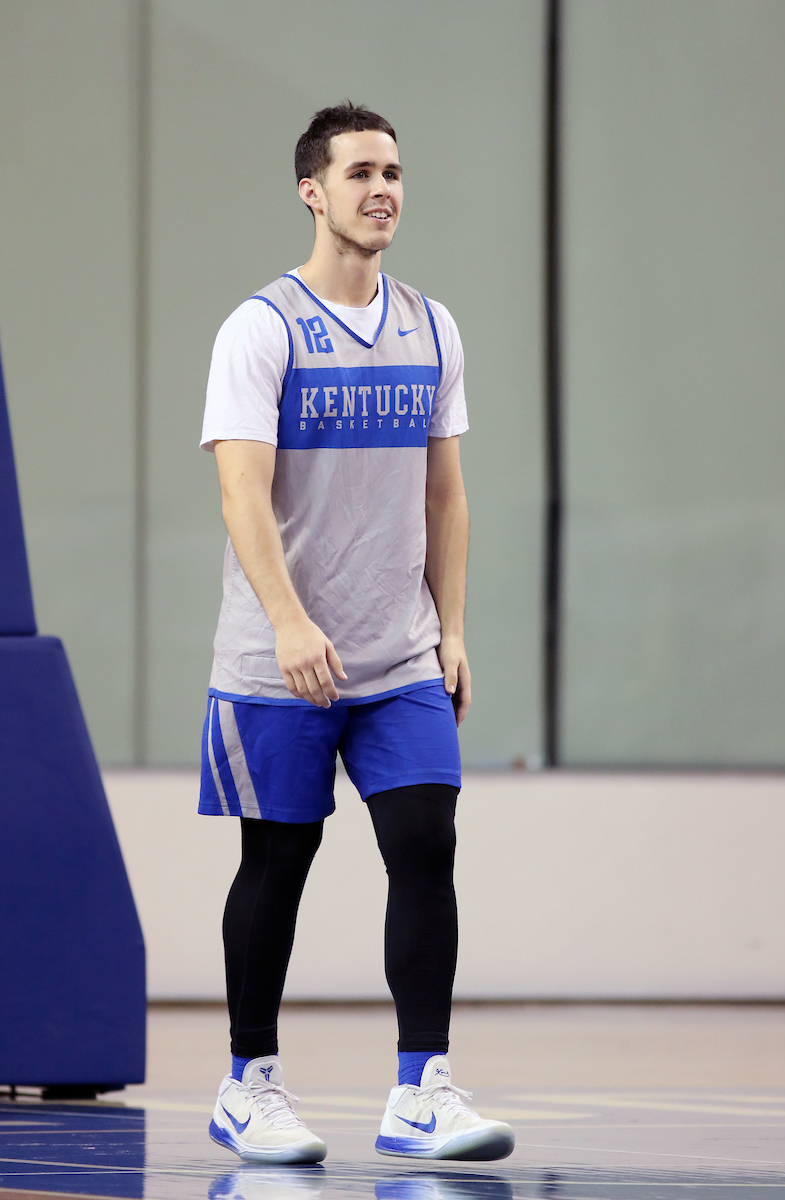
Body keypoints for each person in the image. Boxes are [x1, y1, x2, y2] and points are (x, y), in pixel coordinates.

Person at [198, 102, 514, 1166]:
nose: (383, 188)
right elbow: (240, 493)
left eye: (392, 172)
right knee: (276, 863)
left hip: (396, 657)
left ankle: (420, 1092)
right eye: (361, 172)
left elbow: (445, 493)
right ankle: (249, 1086)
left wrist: (451, 630)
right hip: (278, 662)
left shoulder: (432, 324)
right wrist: (288, 622)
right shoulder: (262, 328)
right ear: (311, 190)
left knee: (426, 845)